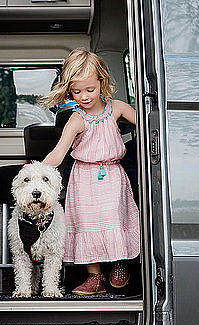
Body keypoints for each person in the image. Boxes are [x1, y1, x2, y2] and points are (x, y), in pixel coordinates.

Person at [41, 49, 140, 295]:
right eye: (77, 91)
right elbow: (58, 153)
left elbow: (151, 124)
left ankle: (120, 264)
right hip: (83, 178)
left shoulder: (117, 108)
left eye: (89, 90)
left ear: (101, 83)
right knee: (86, 224)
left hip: (113, 175)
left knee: (115, 218)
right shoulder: (76, 119)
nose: (84, 97)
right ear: (69, 90)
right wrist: (37, 174)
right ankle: (95, 277)